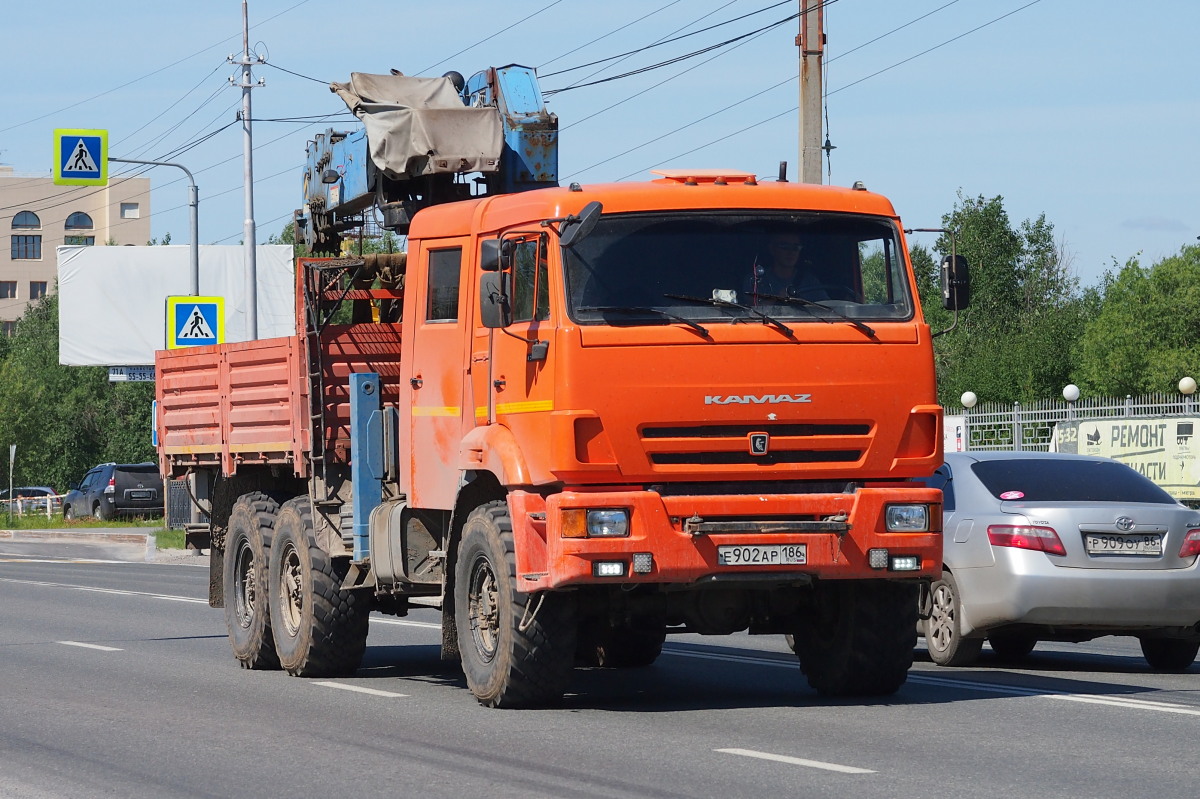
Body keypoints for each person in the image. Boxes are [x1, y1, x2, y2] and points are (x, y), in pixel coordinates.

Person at [743, 232, 831, 304]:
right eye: (784, 246)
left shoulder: (810, 281)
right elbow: (751, 312)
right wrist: (778, 298)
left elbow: (827, 309)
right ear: (772, 249)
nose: (790, 252)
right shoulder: (755, 280)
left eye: (795, 247)